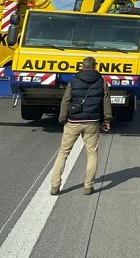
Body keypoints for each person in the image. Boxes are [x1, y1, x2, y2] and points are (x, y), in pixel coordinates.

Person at [50, 57, 112, 196]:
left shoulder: (73, 81)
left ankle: (55, 186)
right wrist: (107, 119)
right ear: (95, 66)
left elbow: (66, 100)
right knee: (92, 154)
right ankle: (88, 186)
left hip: (73, 121)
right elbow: (106, 101)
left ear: (82, 66)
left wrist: (62, 118)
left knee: (63, 152)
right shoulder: (102, 81)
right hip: (92, 122)